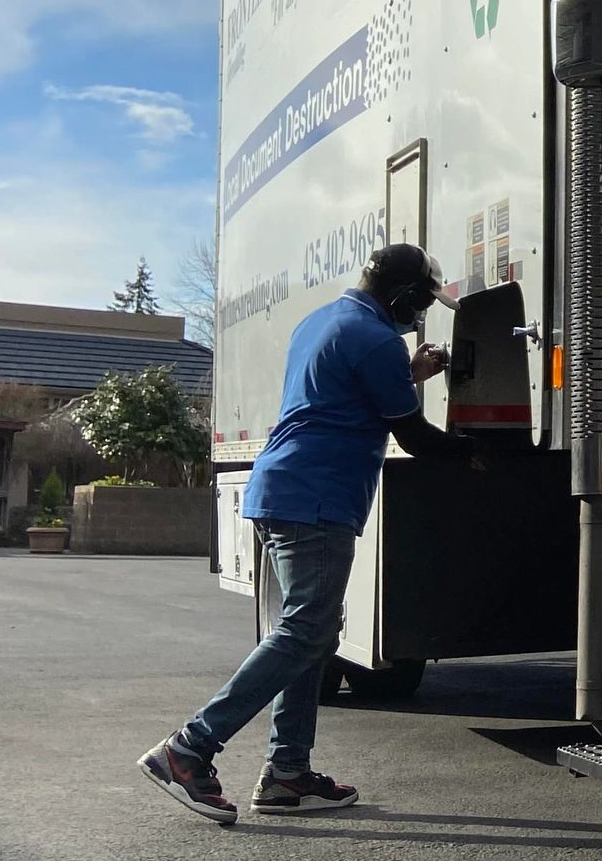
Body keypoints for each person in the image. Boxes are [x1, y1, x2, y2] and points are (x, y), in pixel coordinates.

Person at [140, 245, 467, 825]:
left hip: (287, 488)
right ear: (400, 297)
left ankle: (288, 773)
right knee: (305, 631)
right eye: (417, 305)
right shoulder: (375, 339)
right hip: (314, 497)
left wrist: (410, 373)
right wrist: (482, 455)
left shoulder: (325, 320)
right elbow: (414, 437)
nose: (418, 318)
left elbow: (343, 393)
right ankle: (189, 748)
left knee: (312, 634)